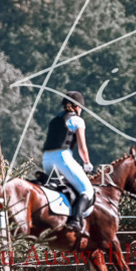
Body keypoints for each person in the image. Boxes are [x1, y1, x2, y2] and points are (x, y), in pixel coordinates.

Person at [41, 90, 94, 234]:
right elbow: (82, 148)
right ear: (77, 106)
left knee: (59, 187)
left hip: (46, 158)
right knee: (87, 190)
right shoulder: (77, 120)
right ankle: (76, 221)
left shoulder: (55, 119)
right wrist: (87, 163)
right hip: (62, 158)